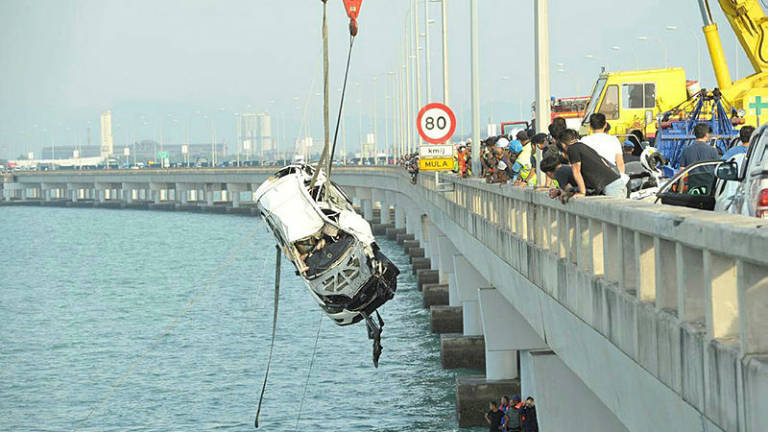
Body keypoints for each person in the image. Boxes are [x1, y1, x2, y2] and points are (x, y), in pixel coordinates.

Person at [561, 129, 626, 198]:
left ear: (563, 143)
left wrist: (582, 192)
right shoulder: (583, 146)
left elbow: (576, 172)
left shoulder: (572, 149)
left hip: (611, 187)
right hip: (616, 183)